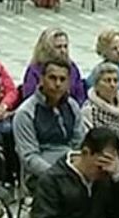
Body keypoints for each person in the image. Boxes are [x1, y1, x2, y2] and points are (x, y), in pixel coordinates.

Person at [14, 56, 86, 188]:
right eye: (52, 78)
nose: (57, 84)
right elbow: (29, 157)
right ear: (41, 79)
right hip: (41, 174)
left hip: (72, 167)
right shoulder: (25, 113)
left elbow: (79, 144)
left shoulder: (72, 106)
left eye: (62, 79)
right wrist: (58, 174)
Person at [81, 61, 119, 156]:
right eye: (107, 81)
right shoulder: (89, 110)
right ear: (96, 85)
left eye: (115, 81)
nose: (112, 85)